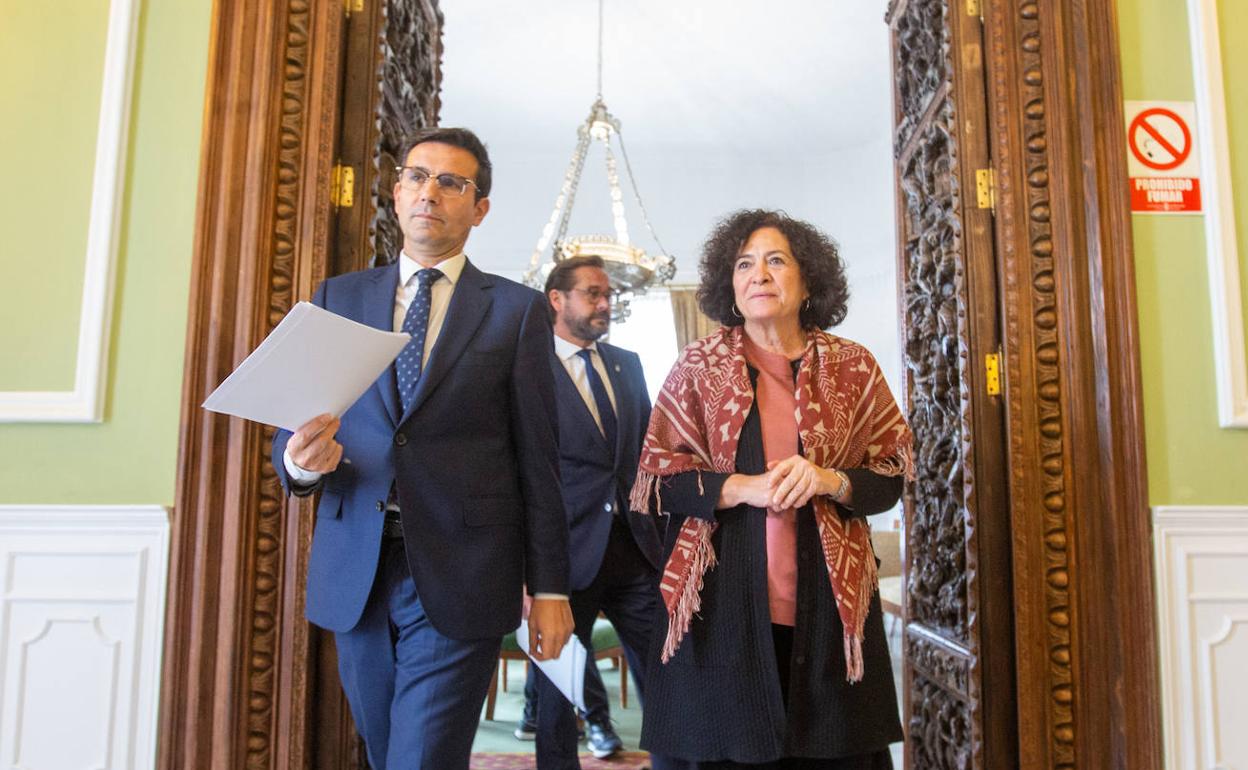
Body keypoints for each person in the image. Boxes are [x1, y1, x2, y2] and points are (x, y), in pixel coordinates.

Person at [270, 127, 574, 770]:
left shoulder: (515, 312)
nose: (428, 191)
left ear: (479, 206)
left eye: (450, 181)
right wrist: (299, 462)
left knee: (422, 757)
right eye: (416, 175)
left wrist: (550, 587)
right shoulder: (340, 296)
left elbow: (539, 459)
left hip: (464, 569)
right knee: (388, 754)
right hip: (357, 568)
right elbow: (296, 422)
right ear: (396, 189)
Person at [630, 210, 914, 769]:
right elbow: (657, 483)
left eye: (776, 260)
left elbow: (890, 478)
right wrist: (741, 487)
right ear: (729, 286)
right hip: (719, 609)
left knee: (834, 752)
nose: (758, 273)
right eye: (744, 263)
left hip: (832, 615)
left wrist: (830, 479)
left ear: (808, 280)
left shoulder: (853, 366)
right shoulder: (696, 367)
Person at [534, 255, 672, 768]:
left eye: (608, 295)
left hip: (635, 550)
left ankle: (674, 760)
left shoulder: (627, 364)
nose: (605, 304)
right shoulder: (527, 369)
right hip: (563, 558)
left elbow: (647, 454)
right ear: (557, 299)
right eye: (593, 293)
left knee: (668, 671)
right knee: (555, 695)